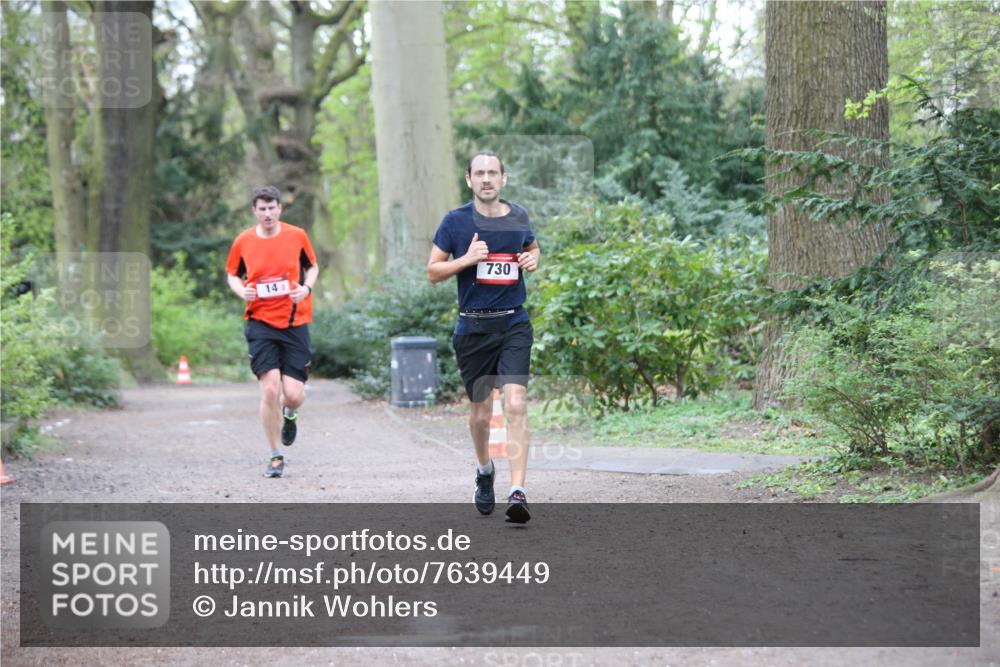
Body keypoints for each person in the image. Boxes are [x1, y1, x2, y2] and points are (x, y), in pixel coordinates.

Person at [427, 151, 540, 523]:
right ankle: (485, 470)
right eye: (480, 173)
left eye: (493, 173)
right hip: (473, 328)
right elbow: (433, 271)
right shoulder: (455, 222)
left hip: (514, 324)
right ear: (469, 179)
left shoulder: (519, 216)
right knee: (480, 415)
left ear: (503, 179)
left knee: (517, 402)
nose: (487, 179)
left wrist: (532, 259)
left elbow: (531, 247)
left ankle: (518, 490)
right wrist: (466, 260)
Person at [226, 186, 319, 478]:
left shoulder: (297, 236)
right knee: (270, 389)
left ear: (280, 209)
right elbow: (232, 274)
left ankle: (290, 414)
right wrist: (244, 291)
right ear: (254, 211)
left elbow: (313, 266)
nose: (267, 213)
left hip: (295, 322)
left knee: (292, 395)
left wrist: (305, 288)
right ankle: (275, 454)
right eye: (262, 209)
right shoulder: (243, 241)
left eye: (272, 208)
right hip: (260, 322)